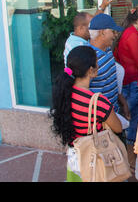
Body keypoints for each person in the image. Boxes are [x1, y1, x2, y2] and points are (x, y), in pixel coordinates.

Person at [49, 46, 123, 182]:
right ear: (90, 70)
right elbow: (118, 128)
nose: (98, 66)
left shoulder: (64, 94)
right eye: (96, 63)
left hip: (74, 157)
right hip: (94, 160)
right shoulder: (98, 102)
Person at [113, 4, 138, 160]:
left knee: (134, 119)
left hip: (129, 80)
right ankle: (131, 158)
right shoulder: (132, 35)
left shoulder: (127, 31)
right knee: (136, 120)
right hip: (133, 82)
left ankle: (132, 157)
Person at [88, 13, 129, 117]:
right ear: (102, 32)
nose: (115, 35)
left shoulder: (108, 49)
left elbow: (111, 80)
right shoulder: (89, 59)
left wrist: (122, 102)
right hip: (102, 118)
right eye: (112, 31)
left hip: (114, 111)